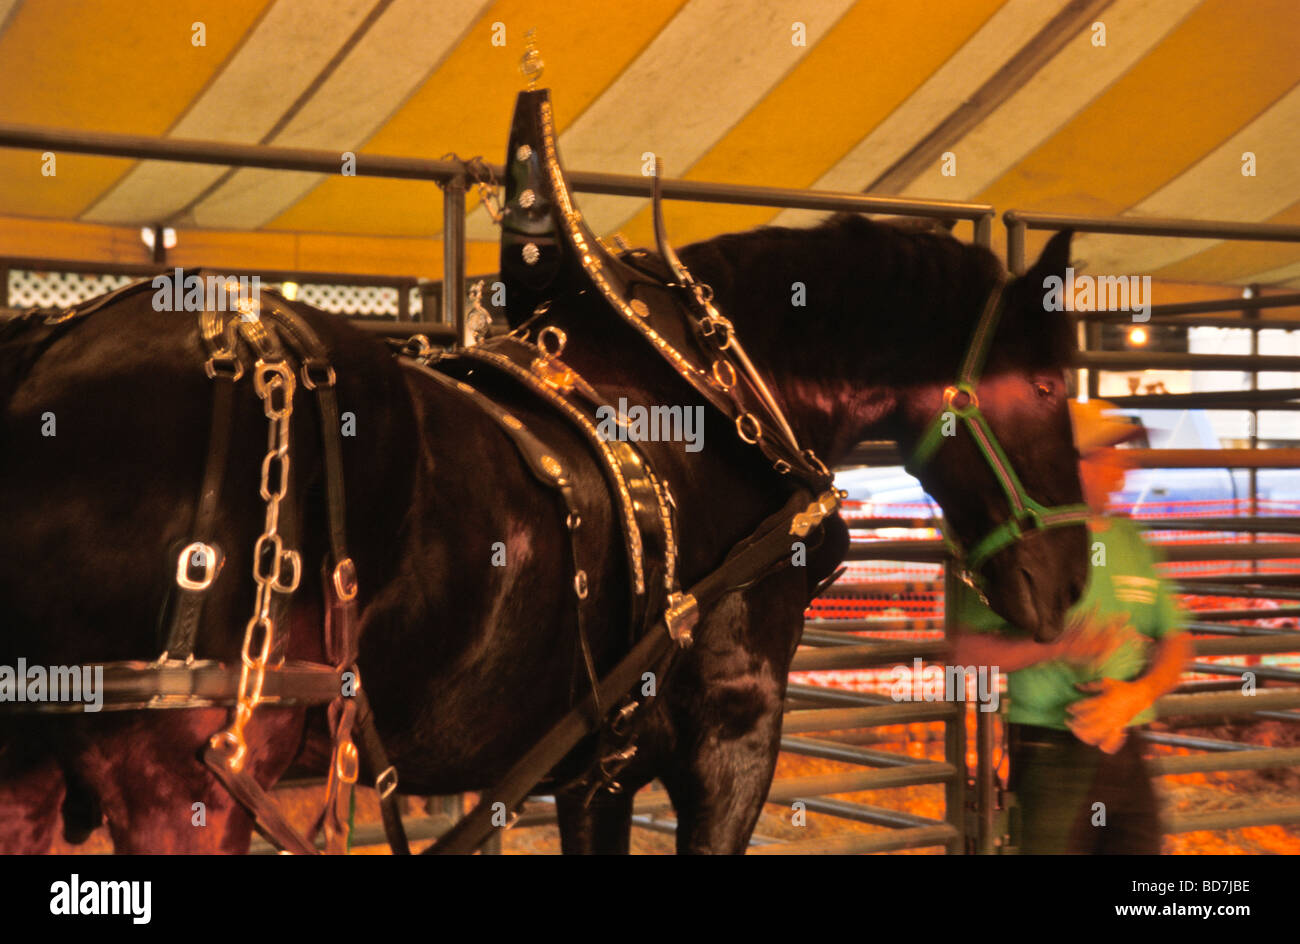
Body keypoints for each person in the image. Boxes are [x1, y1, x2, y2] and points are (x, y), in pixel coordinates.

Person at [950, 399, 1194, 854]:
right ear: (1067, 464)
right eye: (1107, 454)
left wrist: (1138, 693)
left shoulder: (1130, 540)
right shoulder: (1020, 547)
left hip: (1127, 741)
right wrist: (1057, 646)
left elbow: (1178, 641)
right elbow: (965, 651)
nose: (1123, 467)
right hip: (1050, 746)